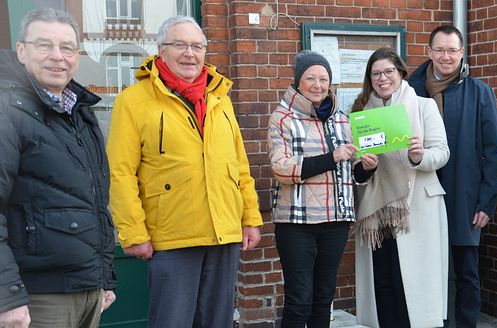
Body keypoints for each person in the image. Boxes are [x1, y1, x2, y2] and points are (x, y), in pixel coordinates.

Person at [107, 16, 263, 328]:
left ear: (205, 52)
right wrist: (133, 232)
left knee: (218, 321)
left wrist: (250, 218)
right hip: (172, 236)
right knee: (172, 322)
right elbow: (120, 172)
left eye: (196, 46)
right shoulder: (134, 101)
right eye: (179, 45)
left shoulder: (220, 98)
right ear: (160, 50)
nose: (189, 53)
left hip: (224, 232)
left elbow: (239, 165)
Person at [0, 8, 117, 328]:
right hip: (37, 296)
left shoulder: (80, 112)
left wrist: (104, 276)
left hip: (86, 289)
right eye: (43, 45)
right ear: (21, 51)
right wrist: (7, 298)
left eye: (67, 47)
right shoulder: (7, 109)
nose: (57, 56)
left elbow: (95, 202)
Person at [268, 50, 377, 328]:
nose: (318, 85)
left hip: (336, 223)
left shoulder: (342, 119)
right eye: (310, 78)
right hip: (297, 224)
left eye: (323, 78)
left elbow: (351, 173)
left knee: (323, 299)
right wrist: (332, 157)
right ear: (298, 81)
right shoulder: (283, 118)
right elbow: (282, 168)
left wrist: (366, 167)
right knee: (299, 300)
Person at [408, 25, 497, 328]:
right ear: (429, 51)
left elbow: (493, 151)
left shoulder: (479, 92)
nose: (446, 56)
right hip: (420, 195)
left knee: (466, 271)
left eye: (452, 50)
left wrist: (487, 203)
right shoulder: (410, 90)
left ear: (462, 53)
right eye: (440, 49)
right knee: (424, 269)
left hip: (465, 195)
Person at [351, 48, 450, 328]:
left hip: (417, 207)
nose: (383, 78)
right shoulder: (361, 114)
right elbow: (356, 170)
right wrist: (365, 168)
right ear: (370, 79)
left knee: (413, 285)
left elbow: (442, 152)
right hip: (377, 209)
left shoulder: (423, 106)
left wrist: (419, 156)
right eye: (376, 74)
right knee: (384, 280)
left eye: (388, 72)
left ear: (401, 73)